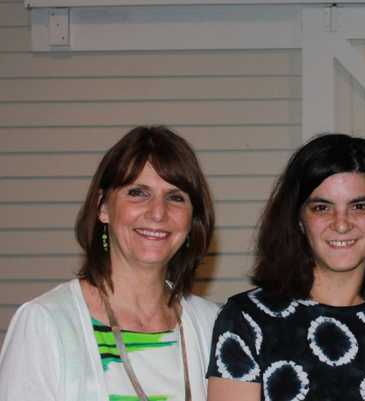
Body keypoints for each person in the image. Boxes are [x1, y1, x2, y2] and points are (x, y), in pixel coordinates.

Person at [207, 133, 365, 401]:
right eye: (321, 208)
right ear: (298, 219)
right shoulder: (245, 320)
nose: (341, 224)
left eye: (359, 206)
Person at [0, 126, 219, 401]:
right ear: (103, 207)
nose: (158, 212)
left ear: (193, 219)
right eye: (138, 192)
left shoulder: (213, 326)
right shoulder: (45, 323)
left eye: (175, 197)